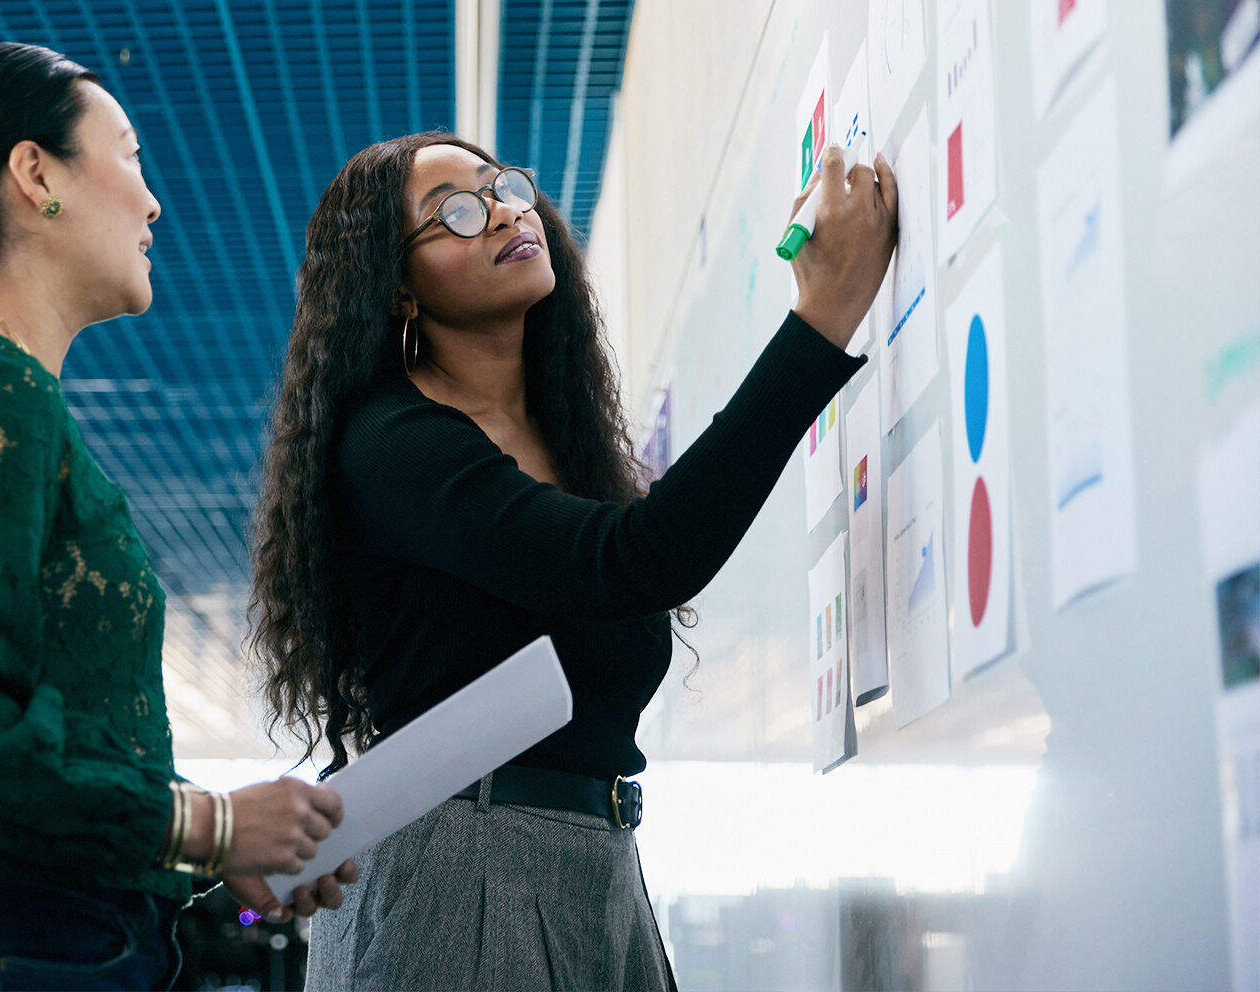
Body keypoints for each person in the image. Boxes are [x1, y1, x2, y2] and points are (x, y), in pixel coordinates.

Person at [0, 42, 356, 992]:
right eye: (128, 155)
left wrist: (213, 852)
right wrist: (203, 823)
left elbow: (35, 737)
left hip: (20, 935)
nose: (153, 200)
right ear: (37, 174)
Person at [248, 132, 895, 990]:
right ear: (396, 287)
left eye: (503, 185)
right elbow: (634, 563)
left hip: (596, 863)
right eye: (455, 213)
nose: (505, 212)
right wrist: (819, 323)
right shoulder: (392, 445)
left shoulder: (568, 443)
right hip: (459, 876)